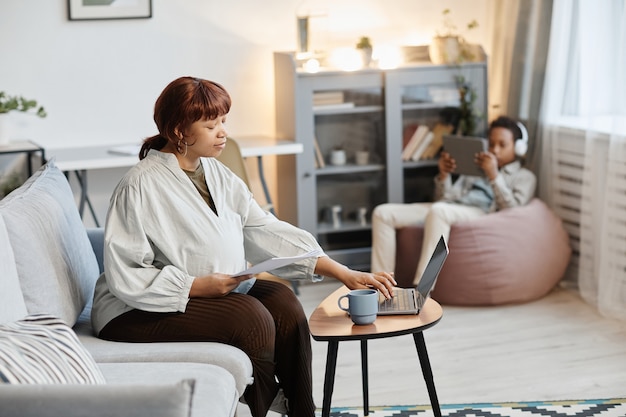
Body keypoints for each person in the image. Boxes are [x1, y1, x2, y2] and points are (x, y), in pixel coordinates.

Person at [90, 76, 396, 417]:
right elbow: (126, 270)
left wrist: (341, 271)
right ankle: (265, 407)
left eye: (223, 121)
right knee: (249, 318)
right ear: (179, 131)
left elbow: (263, 228)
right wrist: (195, 286)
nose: (223, 132)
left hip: (204, 293)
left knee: (283, 302)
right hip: (133, 309)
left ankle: (303, 411)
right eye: (211, 125)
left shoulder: (216, 173)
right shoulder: (139, 185)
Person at [371, 116, 537, 285]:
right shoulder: (476, 166)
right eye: (491, 143)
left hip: (480, 211)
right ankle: (381, 288)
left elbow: (512, 210)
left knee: (439, 211)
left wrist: (494, 175)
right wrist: (444, 175)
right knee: (382, 213)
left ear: (518, 148)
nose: (495, 150)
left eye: (502, 145)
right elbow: (444, 199)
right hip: (449, 207)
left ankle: (422, 289)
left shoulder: (525, 177)